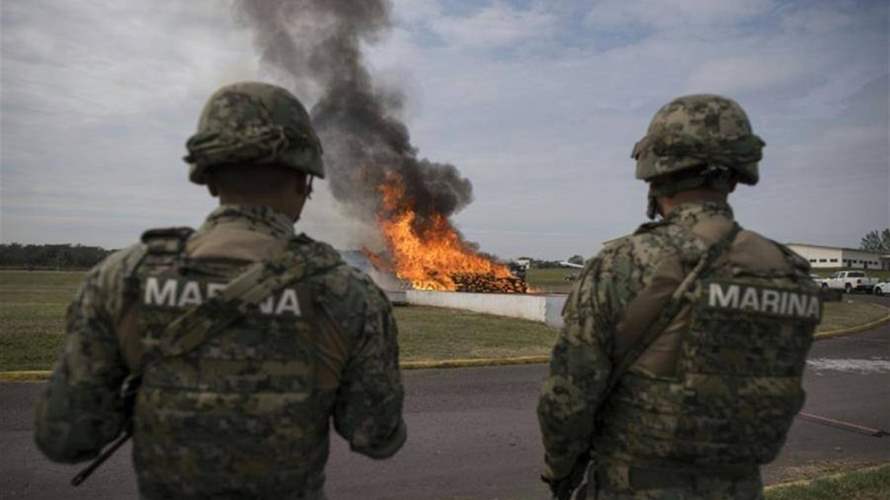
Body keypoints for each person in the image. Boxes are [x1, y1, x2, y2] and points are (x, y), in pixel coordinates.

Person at [34, 81, 407, 499]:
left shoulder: (123, 278)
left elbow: (65, 438)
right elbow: (378, 436)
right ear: (305, 180)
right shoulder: (348, 293)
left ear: (209, 178)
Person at [537, 94, 821, 500]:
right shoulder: (789, 271)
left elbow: (568, 398)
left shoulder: (625, 263)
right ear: (736, 173)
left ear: (655, 170)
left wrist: (560, 473)